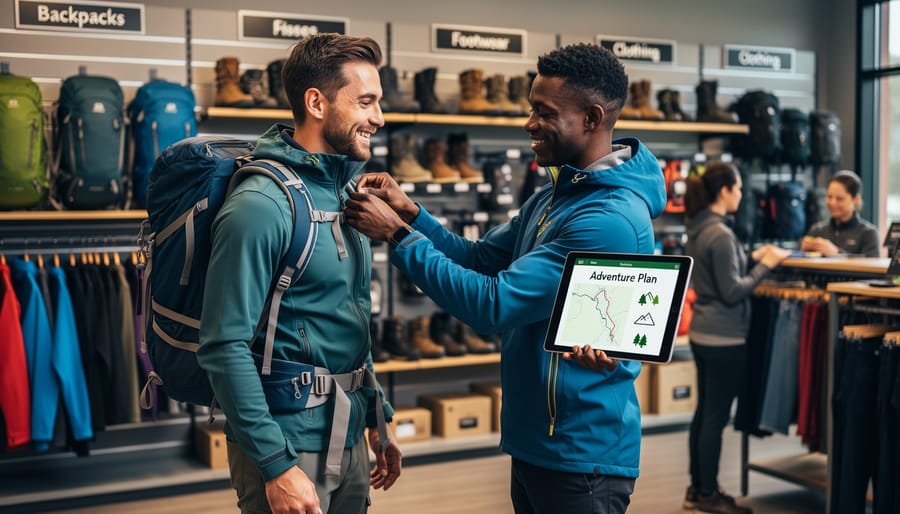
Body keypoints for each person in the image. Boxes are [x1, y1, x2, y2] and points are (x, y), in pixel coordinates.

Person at [344, 43, 666, 513]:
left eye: (543, 112)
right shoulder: (554, 197)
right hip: (539, 439)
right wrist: (411, 214)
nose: (529, 123)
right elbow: (478, 259)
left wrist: (395, 236)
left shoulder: (605, 219)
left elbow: (493, 306)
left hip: (581, 454)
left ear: (593, 118)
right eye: (530, 108)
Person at [197, 33, 401, 514]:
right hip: (287, 445)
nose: (379, 118)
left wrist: (377, 418)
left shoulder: (341, 194)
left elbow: (340, 318)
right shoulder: (261, 205)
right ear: (316, 102)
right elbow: (222, 345)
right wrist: (275, 464)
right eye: (366, 102)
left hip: (348, 434)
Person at [682, 162, 790, 514]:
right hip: (725, 337)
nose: (742, 195)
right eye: (739, 188)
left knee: (703, 414)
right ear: (725, 191)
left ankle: (697, 488)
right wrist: (766, 264)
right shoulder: (722, 234)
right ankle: (710, 494)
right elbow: (733, 291)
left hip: (702, 332)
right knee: (715, 417)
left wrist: (748, 257)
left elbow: (719, 272)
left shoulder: (698, 228)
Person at [800, 170, 880, 257]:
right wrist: (802, 252)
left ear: (855, 199)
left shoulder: (868, 234)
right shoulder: (817, 230)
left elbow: (871, 265)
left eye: (839, 199)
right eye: (829, 197)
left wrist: (837, 254)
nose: (832, 203)